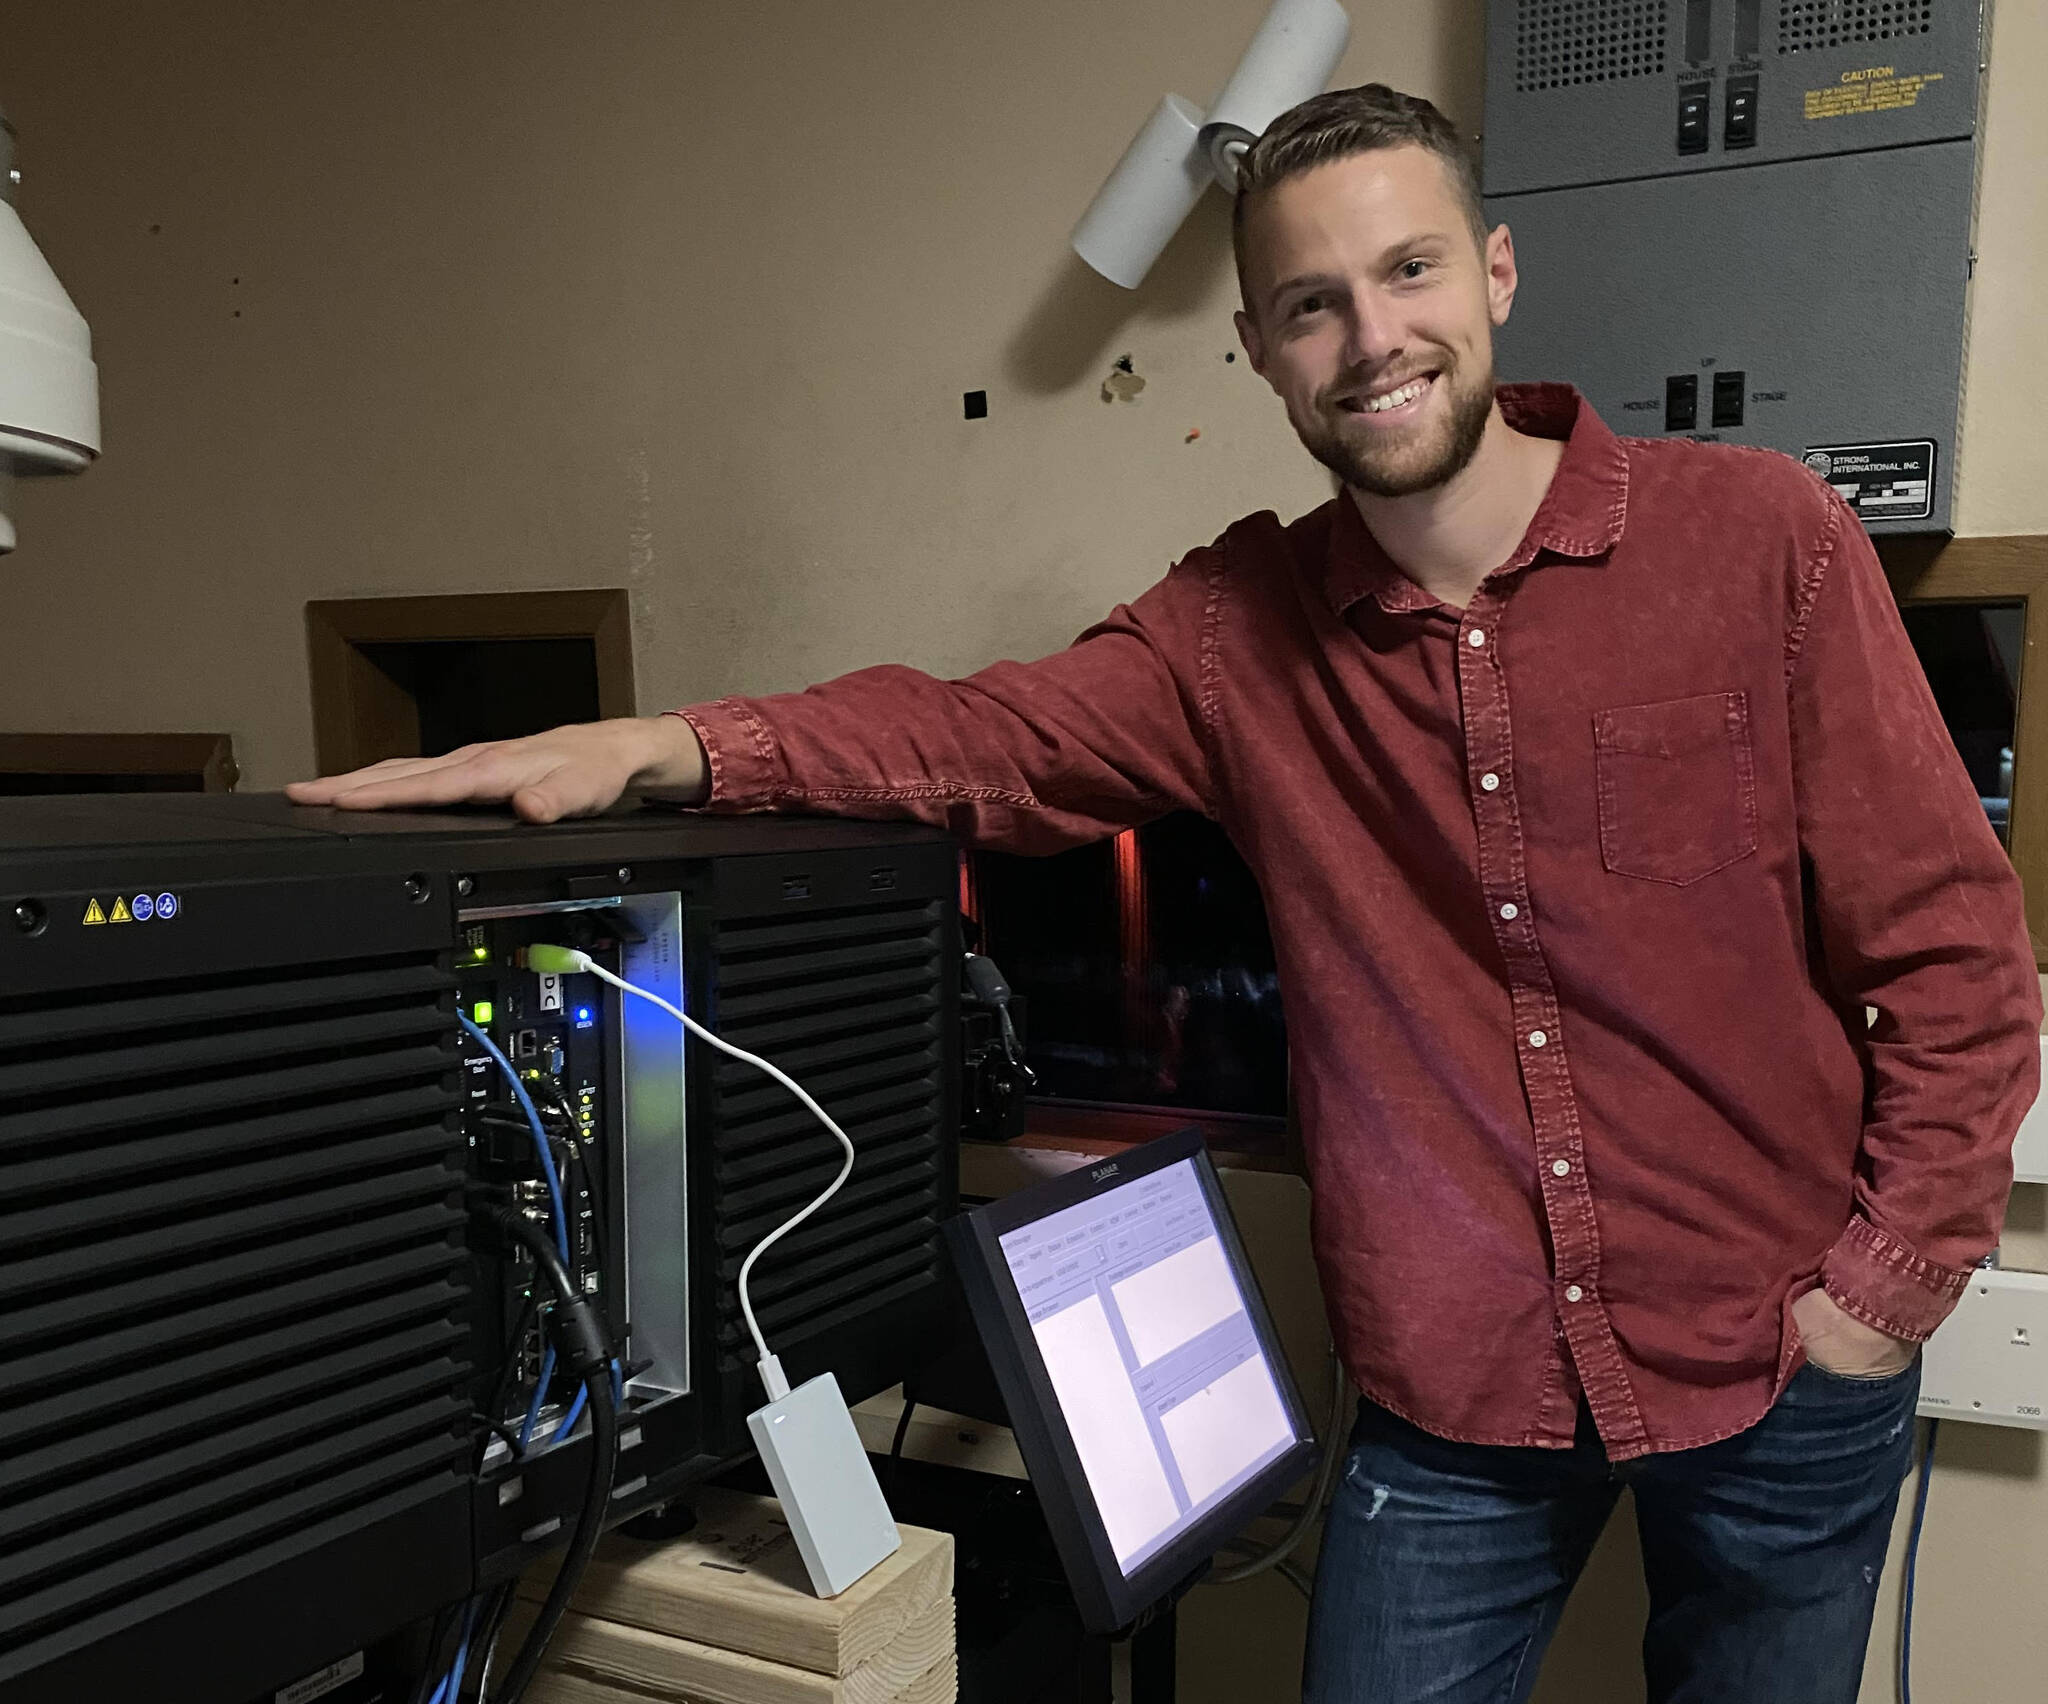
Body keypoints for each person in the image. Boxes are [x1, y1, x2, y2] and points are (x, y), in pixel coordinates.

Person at [289, 85, 2041, 1704]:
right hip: (1458, 1401)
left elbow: (1956, 956)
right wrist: (662, 742)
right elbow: (976, 738)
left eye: (1410, 268)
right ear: (1263, 353)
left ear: (1495, 272)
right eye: (1311, 305)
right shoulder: (1232, 633)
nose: (1373, 339)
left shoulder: (1759, 542)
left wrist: (1876, 1297)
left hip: (1779, 1362)